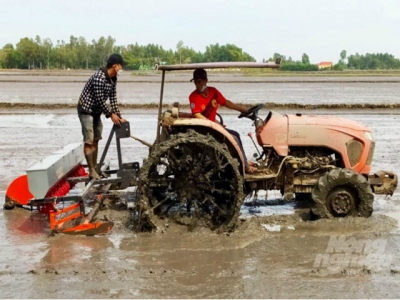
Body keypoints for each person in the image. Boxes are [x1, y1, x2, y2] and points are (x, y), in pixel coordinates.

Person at [188, 68, 257, 174]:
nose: (197, 85)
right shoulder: (193, 97)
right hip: (205, 129)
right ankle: (246, 167)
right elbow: (197, 115)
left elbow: (226, 102)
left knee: (236, 135)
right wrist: (214, 125)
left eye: (199, 82)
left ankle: (244, 160)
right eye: (195, 82)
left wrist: (242, 109)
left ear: (206, 80)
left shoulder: (213, 92)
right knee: (233, 138)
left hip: (215, 127)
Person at [77, 53, 127, 179]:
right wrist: (111, 115)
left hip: (96, 111)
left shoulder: (113, 79)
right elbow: (100, 100)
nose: (121, 69)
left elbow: (113, 99)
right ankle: (92, 170)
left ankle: (95, 168)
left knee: (96, 138)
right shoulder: (99, 78)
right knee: (89, 139)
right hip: (86, 110)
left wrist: (119, 116)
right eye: (120, 66)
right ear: (115, 66)